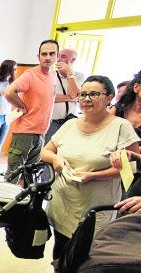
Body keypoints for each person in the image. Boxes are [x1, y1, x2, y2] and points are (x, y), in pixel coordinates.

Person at [41, 75, 139, 261]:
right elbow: (45, 152)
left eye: (94, 94)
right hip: (64, 202)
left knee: (86, 256)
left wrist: (93, 176)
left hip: (96, 208)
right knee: (60, 253)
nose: (86, 99)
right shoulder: (70, 124)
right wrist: (56, 160)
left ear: (109, 97)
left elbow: (132, 168)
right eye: (82, 94)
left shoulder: (121, 127)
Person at [3, 40, 59, 185]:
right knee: (13, 174)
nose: (47, 57)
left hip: (40, 133)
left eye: (51, 54)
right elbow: (8, 92)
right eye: (44, 54)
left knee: (29, 175)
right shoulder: (31, 74)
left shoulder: (52, 76)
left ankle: (21, 205)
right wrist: (22, 106)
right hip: (24, 132)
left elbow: (49, 97)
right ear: (38, 56)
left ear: (57, 56)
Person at [44, 48, 84, 143]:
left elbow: (77, 95)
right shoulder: (50, 75)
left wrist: (69, 74)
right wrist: (71, 98)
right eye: (58, 56)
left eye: (63, 56)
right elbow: (49, 97)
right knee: (45, 152)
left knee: (63, 152)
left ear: (73, 60)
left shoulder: (79, 76)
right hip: (51, 122)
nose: (59, 59)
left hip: (69, 122)